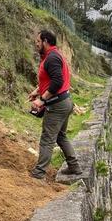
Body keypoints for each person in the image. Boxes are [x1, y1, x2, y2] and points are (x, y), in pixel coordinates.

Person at [28, 30, 80, 179]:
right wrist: (37, 91)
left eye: (38, 42)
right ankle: (75, 167)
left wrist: (42, 100)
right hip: (65, 102)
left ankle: (39, 174)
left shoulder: (51, 58)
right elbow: (51, 79)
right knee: (61, 137)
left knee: (47, 138)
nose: (36, 44)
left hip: (57, 105)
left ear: (45, 41)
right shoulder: (53, 55)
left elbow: (57, 82)